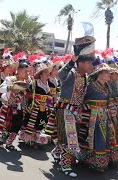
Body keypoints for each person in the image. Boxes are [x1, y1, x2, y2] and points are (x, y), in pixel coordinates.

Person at [55, 36, 95, 177]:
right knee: (68, 140)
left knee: (70, 138)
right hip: (65, 110)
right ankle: (64, 166)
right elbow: (60, 74)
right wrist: (72, 60)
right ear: (81, 63)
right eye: (89, 63)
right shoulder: (71, 74)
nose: (91, 66)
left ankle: (58, 154)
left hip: (75, 112)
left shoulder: (85, 77)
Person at [78, 62, 118, 172]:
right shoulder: (91, 86)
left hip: (105, 115)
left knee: (107, 136)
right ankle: (94, 161)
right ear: (100, 74)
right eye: (107, 73)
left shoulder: (108, 86)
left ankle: (105, 160)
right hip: (94, 116)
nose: (109, 75)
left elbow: (109, 100)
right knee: (97, 136)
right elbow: (82, 99)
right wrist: (88, 109)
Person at [0, 61, 29, 150]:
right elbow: (1, 89)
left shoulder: (26, 81)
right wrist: (11, 87)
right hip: (8, 106)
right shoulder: (10, 79)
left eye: (28, 71)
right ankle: (0, 138)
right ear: (19, 71)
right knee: (4, 124)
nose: (27, 73)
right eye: (26, 71)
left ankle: (9, 143)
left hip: (18, 107)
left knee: (17, 125)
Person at [19, 62, 52, 148]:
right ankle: (29, 139)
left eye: (48, 73)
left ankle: (36, 138)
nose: (48, 74)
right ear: (41, 74)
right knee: (32, 122)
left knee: (41, 122)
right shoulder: (35, 83)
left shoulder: (48, 84)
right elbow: (26, 94)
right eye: (46, 73)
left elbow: (49, 97)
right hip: (34, 107)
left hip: (43, 108)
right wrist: (36, 99)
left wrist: (47, 102)